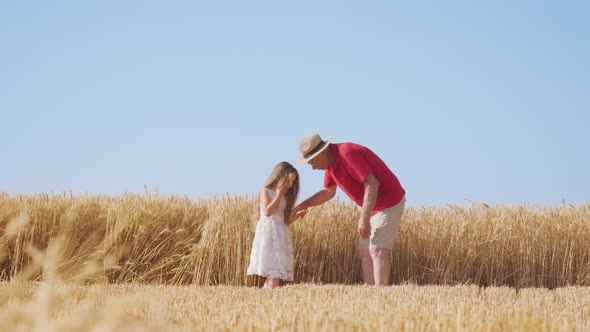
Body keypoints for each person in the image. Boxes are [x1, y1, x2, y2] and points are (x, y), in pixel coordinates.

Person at [293, 134, 406, 286]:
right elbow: (327, 192)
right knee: (364, 250)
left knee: (377, 249)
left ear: (322, 153)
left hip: (388, 202)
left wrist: (364, 219)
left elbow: (372, 184)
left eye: (312, 161)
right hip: (373, 206)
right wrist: (301, 205)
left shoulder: (347, 153)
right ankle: (370, 292)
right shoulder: (331, 165)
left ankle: (381, 295)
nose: (313, 167)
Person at [247, 161, 308, 289]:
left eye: (292, 182)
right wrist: (279, 194)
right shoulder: (266, 191)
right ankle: (271, 298)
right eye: (288, 181)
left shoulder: (285, 197)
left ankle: (267, 298)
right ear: (280, 176)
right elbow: (268, 211)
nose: (290, 185)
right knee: (273, 270)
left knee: (276, 271)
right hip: (268, 234)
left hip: (281, 234)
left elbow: (284, 220)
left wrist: (297, 215)